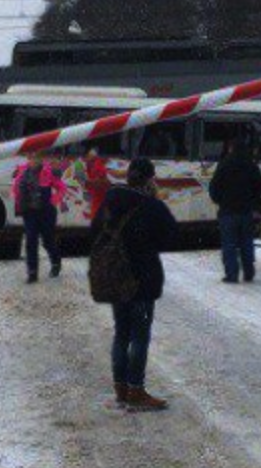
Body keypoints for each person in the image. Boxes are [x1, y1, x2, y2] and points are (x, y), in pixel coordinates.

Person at [92, 158, 177, 412]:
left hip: (115, 277)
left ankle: (121, 387)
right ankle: (136, 391)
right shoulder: (152, 206)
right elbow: (170, 237)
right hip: (142, 279)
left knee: (121, 333)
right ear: (150, 179)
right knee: (140, 336)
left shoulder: (110, 200)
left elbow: (95, 231)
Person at [208, 140, 261, 283]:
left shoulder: (224, 164)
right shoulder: (251, 165)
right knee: (247, 241)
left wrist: (220, 200)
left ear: (230, 148)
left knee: (229, 244)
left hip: (227, 210)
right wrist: (252, 199)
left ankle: (232, 274)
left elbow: (214, 187)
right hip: (246, 211)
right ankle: (249, 272)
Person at [12, 151, 66, 283]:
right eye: (31, 157)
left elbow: (62, 188)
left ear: (41, 159)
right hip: (29, 212)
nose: (33, 160)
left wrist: (53, 201)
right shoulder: (22, 171)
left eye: (36, 158)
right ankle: (32, 273)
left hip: (46, 211)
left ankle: (55, 262)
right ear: (28, 158)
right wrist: (20, 201)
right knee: (31, 241)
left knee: (48, 240)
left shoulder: (49, 172)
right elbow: (15, 189)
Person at [84, 146, 111, 221]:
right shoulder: (91, 166)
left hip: (99, 199)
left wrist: (89, 183)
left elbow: (101, 183)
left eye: (88, 156)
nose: (86, 158)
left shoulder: (98, 166)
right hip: (97, 199)